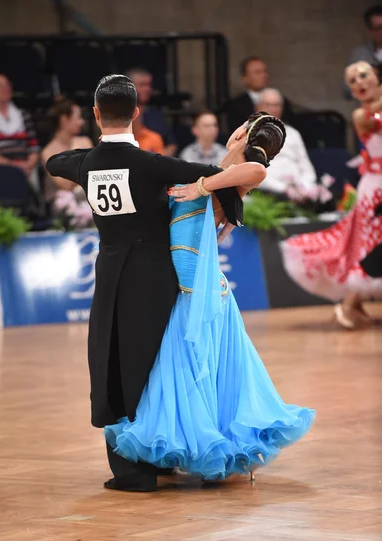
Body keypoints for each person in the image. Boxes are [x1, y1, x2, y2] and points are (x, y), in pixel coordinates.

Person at [46, 74, 244, 492]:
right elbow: (216, 174)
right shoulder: (153, 164)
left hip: (111, 273)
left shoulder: (86, 164)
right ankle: (161, 452)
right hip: (156, 275)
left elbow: (54, 163)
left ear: (96, 114)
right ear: (137, 113)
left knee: (112, 362)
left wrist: (97, 154)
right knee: (156, 362)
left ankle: (133, 468)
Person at [104, 112, 315, 489]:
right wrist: (206, 180)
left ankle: (210, 446)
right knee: (199, 366)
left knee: (194, 363)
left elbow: (255, 172)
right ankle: (202, 444)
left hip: (197, 289)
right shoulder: (218, 171)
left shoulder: (236, 175)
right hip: (194, 286)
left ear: (243, 134)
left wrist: (201, 187)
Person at [280, 62, 382, 329]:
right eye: (352, 80)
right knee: (372, 246)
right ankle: (349, 305)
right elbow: (377, 119)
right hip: (376, 189)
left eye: (363, 75)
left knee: (367, 246)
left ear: (376, 77)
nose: (359, 82)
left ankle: (354, 304)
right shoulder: (363, 115)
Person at [0, 73, 40, 190]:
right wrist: (15, 167)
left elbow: (34, 146)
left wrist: (29, 164)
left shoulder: (24, 115)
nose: (5, 88)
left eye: (7, 84)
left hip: (27, 168)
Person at [256, 89, 317, 198]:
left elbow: (307, 169)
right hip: (268, 193)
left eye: (277, 105)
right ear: (258, 107)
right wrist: (284, 189)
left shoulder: (293, 133)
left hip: (300, 192)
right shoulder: (247, 134)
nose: (273, 109)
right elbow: (253, 173)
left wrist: (304, 187)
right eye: (268, 105)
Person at [42, 98, 93, 227]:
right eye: (78, 117)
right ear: (64, 119)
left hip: (88, 195)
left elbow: (94, 171)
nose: (81, 122)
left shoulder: (85, 141)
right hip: (63, 202)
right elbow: (64, 184)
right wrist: (83, 168)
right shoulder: (48, 152)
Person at [226, 57, 294, 132]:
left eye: (264, 71)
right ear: (245, 78)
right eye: (257, 72)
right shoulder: (236, 105)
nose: (264, 75)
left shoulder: (281, 100)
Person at [126, 68, 177, 156]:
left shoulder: (155, 114)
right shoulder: (118, 114)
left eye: (149, 85)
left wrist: (159, 160)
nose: (147, 89)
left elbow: (171, 144)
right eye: (142, 85)